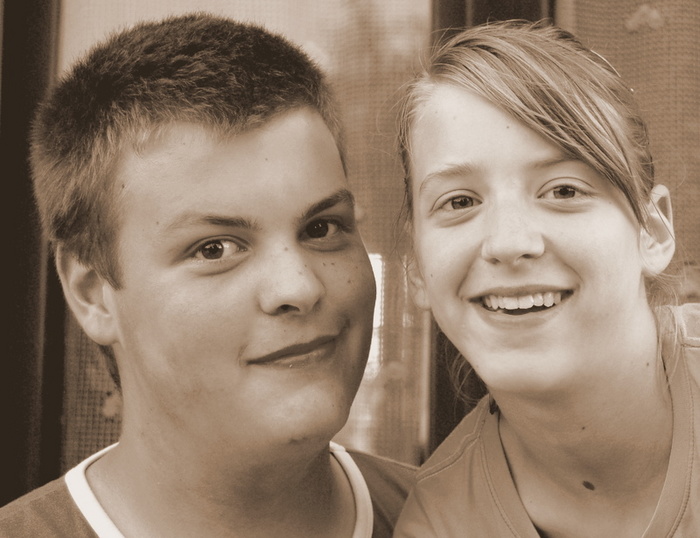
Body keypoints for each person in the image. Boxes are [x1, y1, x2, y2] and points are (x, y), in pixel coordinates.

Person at [0, 13, 415, 537]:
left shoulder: (466, 521)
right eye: (215, 248)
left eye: (321, 227)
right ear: (93, 294)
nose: (299, 286)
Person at [393, 20, 699, 537]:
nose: (509, 242)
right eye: (460, 201)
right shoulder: (438, 525)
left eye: (563, 191)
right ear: (417, 268)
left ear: (652, 230)